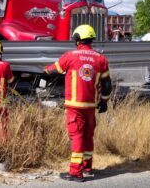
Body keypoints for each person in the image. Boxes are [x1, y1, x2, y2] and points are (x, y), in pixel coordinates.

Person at [44, 25, 113, 182]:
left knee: (76, 136)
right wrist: (104, 101)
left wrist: (45, 70)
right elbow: (107, 84)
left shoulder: (70, 56)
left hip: (75, 106)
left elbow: (54, 70)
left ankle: (75, 172)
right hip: (91, 106)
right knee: (88, 135)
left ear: (77, 40)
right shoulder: (101, 59)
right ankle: (87, 167)